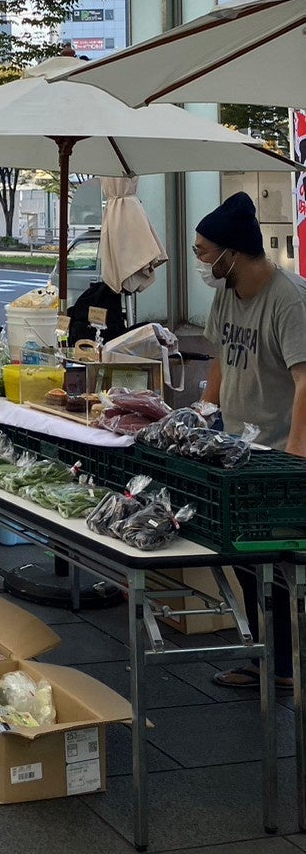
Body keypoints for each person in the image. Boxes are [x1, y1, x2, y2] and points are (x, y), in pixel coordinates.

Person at [195, 191, 306, 690]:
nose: (200, 259)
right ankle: (265, 658)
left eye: (203, 250)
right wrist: (206, 412)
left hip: (279, 449)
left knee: (279, 563)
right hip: (237, 444)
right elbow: (221, 354)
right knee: (242, 555)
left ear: (231, 253)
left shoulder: (289, 301)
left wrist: (295, 455)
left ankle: (281, 664)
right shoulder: (227, 291)